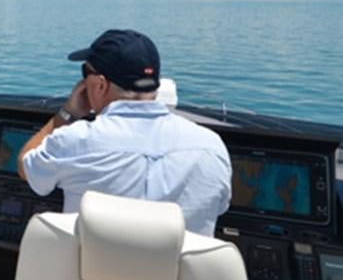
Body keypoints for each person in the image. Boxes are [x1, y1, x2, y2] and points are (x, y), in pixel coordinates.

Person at [18, 30, 231, 237]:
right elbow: (220, 207)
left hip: (85, 273)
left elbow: (25, 165)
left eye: (85, 74)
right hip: (180, 274)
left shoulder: (74, 141)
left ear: (100, 84)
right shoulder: (211, 147)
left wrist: (68, 114)